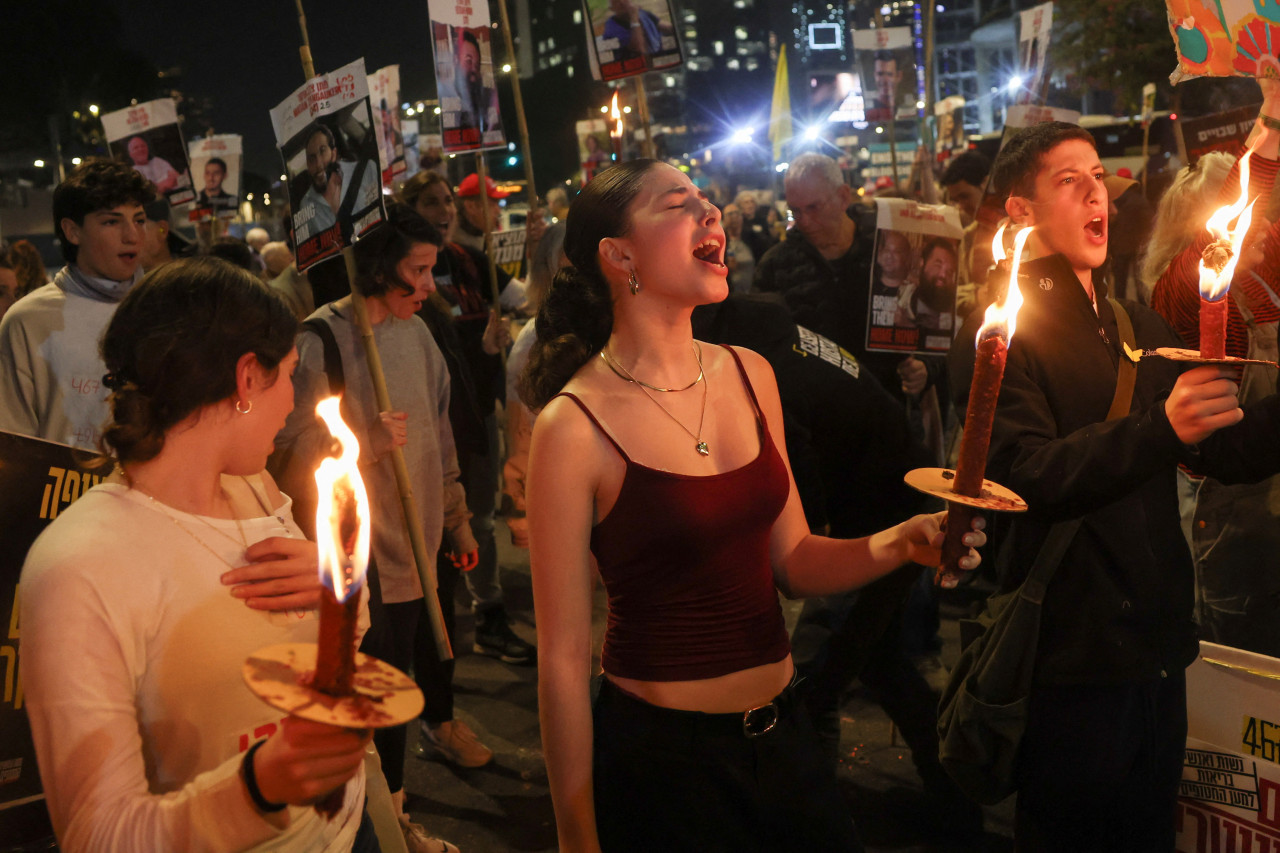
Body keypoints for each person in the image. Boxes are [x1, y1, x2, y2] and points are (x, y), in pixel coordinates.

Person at [521, 159, 985, 852]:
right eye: (679, 202)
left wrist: (904, 540)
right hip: (665, 769)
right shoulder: (571, 425)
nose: (710, 212)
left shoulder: (750, 372)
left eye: (705, 199)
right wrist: (575, 834)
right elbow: (562, 658)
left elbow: (793, 560)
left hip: (786, 741)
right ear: (620, 257)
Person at [949, 120, 1280, 850]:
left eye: (1098, 177)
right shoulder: (1002, 327)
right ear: (1022, 211)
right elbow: (1026, 475)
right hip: (1074, 659)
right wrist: (1163, 426)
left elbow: (1222, 450)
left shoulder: (1130, 321)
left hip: (1158, 647)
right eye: (1070, 181)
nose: (1097, 193)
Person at [21, 257, 375, 851]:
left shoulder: (255, 490)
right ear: (246, 378)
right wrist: (257, 786)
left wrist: (337, 593)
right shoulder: (79, 566)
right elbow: (97, 834)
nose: (292, 400)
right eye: (288, 374)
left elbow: (332, 647)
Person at [272, 203, 473, 853]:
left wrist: (459, 521)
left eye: (432, 270)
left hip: (417, 544)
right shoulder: (320, 339)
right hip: (356, 563)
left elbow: (441, 438)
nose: (428, 285)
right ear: (382, 267)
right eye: (417, 270)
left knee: (402, 689)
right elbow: (285, 453)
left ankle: (396, 808)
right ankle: (379, 820)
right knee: (361, 699)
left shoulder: (419, 336)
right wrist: (363, 442)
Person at [402, 170, 536, 668]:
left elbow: (523, 297)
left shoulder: (467, 262)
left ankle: (487, 615)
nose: (443, 212)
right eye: (431, 203)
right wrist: (477, 347)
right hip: (430, 423)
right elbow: (429, 354)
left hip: (476, 416)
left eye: (447, 203)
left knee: (478, 519)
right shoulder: (405, 274)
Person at [753, 153, 937, 413]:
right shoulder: (775, 265)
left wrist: (926, 368)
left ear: (843, 196)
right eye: (795, 211)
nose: (803, 222)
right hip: (815, 421)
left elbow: (934, 321)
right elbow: (763, 348)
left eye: (813, 208)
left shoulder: (891, 246)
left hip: (891, 411)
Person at [0, 158, 152, 449]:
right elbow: (13, 445)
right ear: (72, 231)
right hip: (61, 493)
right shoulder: (29, 321)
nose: (132, 235)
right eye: (111, 221)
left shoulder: (164, 309)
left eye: (139, 219)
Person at [294, 123, 380, 245]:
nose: (318, 165)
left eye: (322, 151)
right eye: (312, 158)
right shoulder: (306, 204)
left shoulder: (366, 170)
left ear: (333, 153)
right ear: (307, 165)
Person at [896, 237, 958, 333]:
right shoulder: (903, 295)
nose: (943, 275)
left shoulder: (956, 309)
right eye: (938, 265)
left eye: (949, 271)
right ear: (922, 263)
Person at [450, 29, 500, 134]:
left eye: (477, 65)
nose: (474, 69)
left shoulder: (485, 98)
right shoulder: (448, 95)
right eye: (468, 61)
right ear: (455, 61)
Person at [600, 0, 676, 62]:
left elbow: (665, 26)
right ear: (612, 9)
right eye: (616, 1)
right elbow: (638, 50)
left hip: (660, 56)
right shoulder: (612, 27)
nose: (622, 2)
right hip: (636, 65)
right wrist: (634, 18)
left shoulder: (643, 13)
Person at [721, 203, 755, 293]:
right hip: (729, 293)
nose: (734, 217)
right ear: (723, 220)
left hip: (753, 293)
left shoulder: (753, 239)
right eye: (730, 214)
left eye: (737, 213)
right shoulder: (720, 242)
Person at [865, 51, 904, 123]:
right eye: (880, 74)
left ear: (899, 76)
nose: (885, 80)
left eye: (889, 74)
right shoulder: (870, 113)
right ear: (875, 76)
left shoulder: (907, 108)